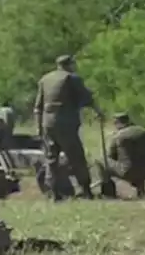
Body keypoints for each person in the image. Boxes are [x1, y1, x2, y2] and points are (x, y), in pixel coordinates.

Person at [33, 54, 102, 200]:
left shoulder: (45, 79)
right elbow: (87, 98)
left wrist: (38, 127)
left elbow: (37, 107)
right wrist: (98, 111)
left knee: (51, 159)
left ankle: (53, 193)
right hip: (65, 124)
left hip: (47, 124)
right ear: (69, 65)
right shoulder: (71, 78)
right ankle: (86, 191)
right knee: (76, 157)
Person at [94, 112, 145, 198]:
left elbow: (110, 156)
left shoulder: (118, 136)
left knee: (101, 160)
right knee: (138, 163)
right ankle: (141, 191)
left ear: (117, 123)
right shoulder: (144, 132)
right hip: (143, 172)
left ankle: (108, 192)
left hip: (126, 172)